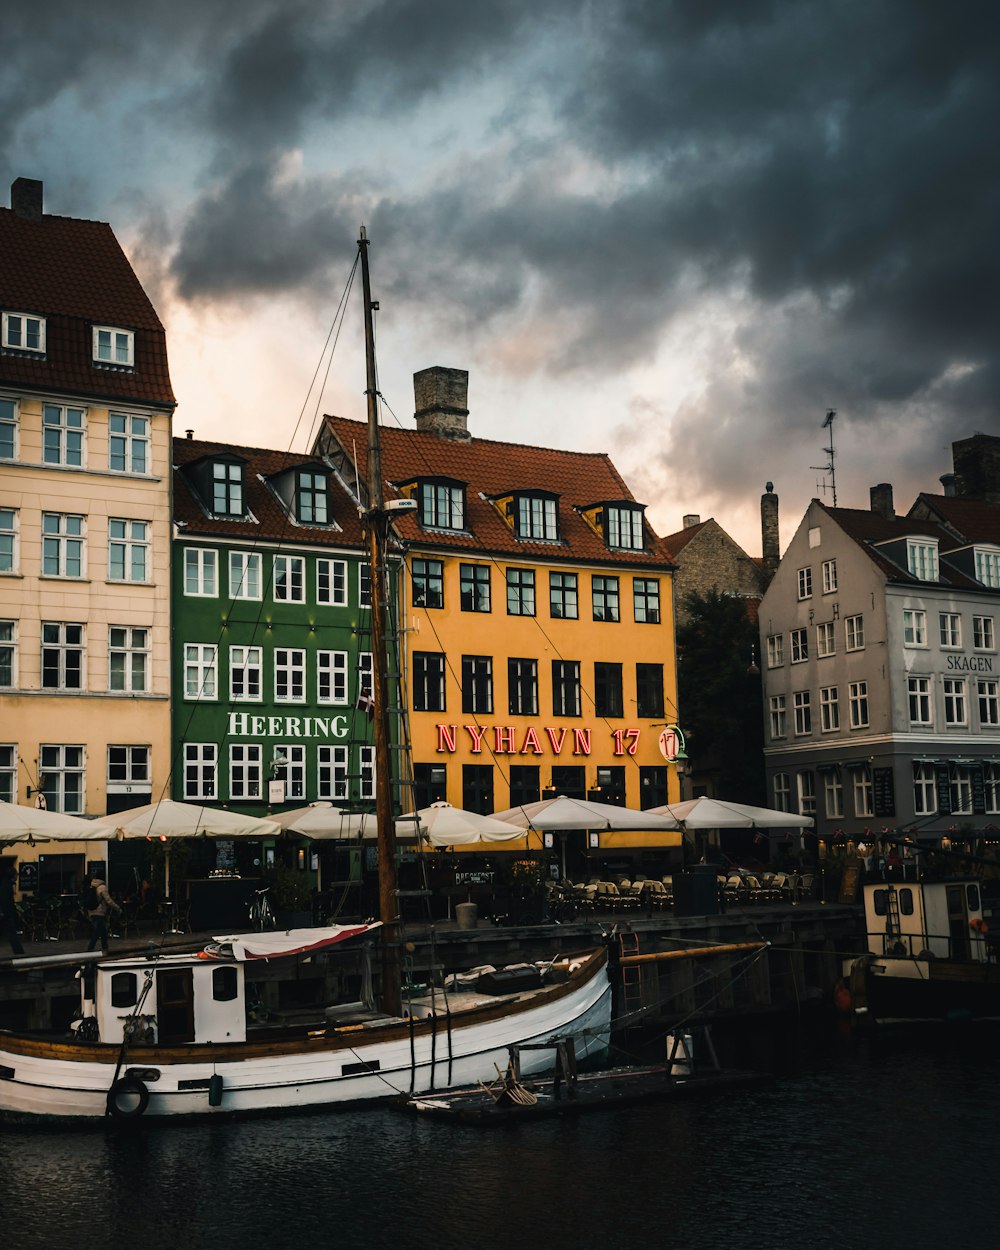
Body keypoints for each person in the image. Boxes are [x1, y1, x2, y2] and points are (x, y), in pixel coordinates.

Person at [86, 871, 122, 953]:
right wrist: (118, 908)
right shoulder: (102, 887)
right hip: (99, 911)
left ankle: (105, 948)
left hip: (91, 911)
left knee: (103, 931)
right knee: (98, 931)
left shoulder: (92, 885)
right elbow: (108, 901)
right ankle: (90, 949)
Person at [0, 860, 25, 956]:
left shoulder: (5, 884)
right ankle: (19, 951)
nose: (17, 876)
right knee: (12, 933)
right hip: (6, 913)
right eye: (16, 875)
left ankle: (19, 951)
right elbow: (6, 901)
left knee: (12, 933)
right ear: (13, 875)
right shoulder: (7, 885)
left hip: (5, 913)